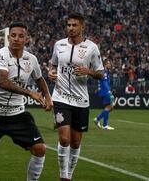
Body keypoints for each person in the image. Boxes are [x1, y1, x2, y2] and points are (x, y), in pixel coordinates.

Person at [0, 22, 53, 181]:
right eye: (13, 36)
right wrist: (30, 93)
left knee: (39, 149)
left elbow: (39, 78)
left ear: (26, 39)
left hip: (17, 114)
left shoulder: (32, 59)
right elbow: (3, 81)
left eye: (20, 36)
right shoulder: (0, 54)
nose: (16, 39)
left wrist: (48, 97)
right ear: (8, 38)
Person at [48, 12, 104, 181]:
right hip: (61, 97)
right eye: (68, 25)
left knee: (76, 143)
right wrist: (50, 72)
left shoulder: (92, 48)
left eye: (74, 25)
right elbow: (53, 64)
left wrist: (89, 72)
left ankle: (69, 175)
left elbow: (101, 73)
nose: (70, 28)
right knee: (64, 139)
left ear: (82, 27)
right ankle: (63, 176)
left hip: (81, 100)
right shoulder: (59, 45)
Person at [93, 59, 115, 130]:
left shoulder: (104, 72)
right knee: (109, 107)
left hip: (103, 91)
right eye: (109, 63)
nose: (110, 65)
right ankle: (105, 125)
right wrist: (109, 91)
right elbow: (104, 83)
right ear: (105, 64)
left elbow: (101, 82)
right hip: (105, 92)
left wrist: (99, 88)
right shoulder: (104, 72)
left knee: (110, 107)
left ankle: (97, 119)